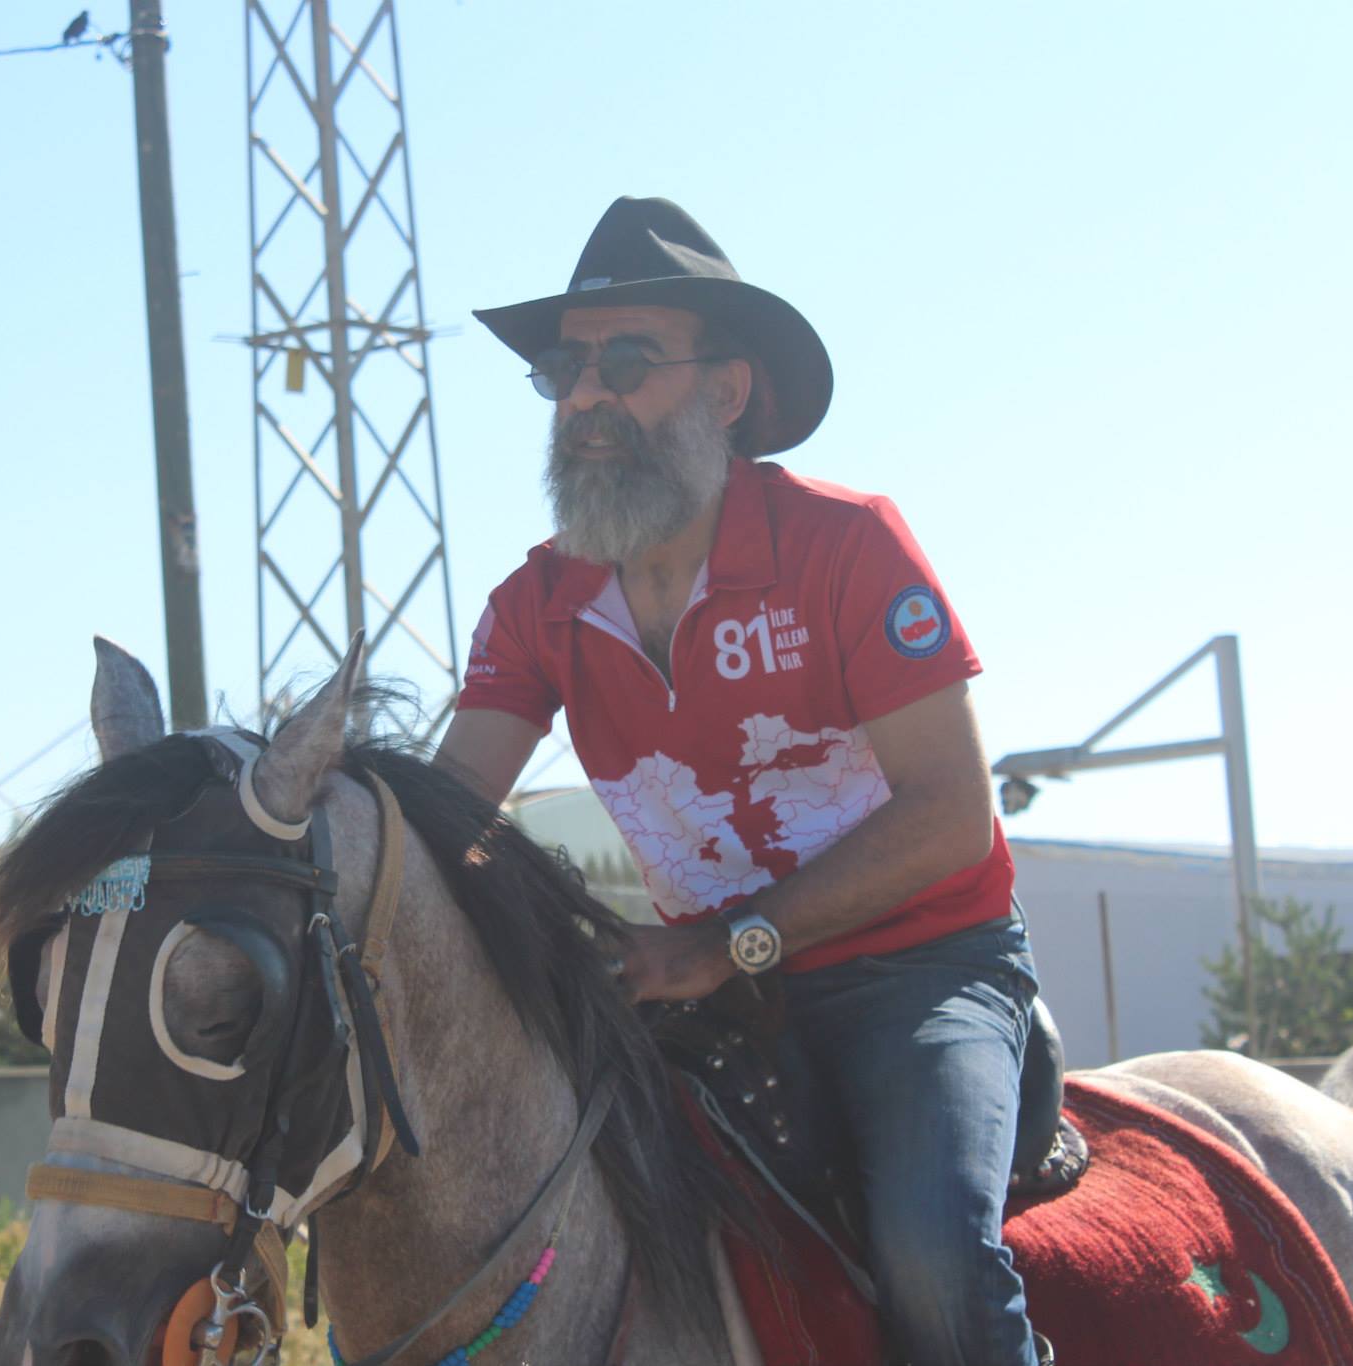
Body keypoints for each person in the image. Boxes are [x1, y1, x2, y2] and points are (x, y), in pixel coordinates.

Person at [434, 196, 1046, 1366]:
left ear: (724, 392)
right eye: (564, 368)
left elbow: (951, 818)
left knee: (930, 1254)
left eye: (624, 361)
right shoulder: (531, 607)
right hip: (700, 998)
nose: (586, 396)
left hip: (919, 972)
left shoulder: (846, 545)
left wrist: (724, 942)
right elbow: (447, 818)